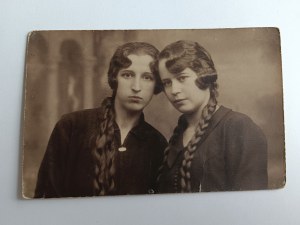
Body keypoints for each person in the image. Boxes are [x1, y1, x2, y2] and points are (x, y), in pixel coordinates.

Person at [34, 42, 167, 198]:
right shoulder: (71, 126)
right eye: (128, 75)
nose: (136, 87)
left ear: (156, 85)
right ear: (114, 78)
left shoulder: (157, 144)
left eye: (147, 77)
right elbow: (45, 198)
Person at [157, 40, 268, 193]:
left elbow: (251, 203)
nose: (174, 90)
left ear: (205, 76)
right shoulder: (177, 135)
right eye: (167, 83)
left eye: (182, 78)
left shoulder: (238, 128)